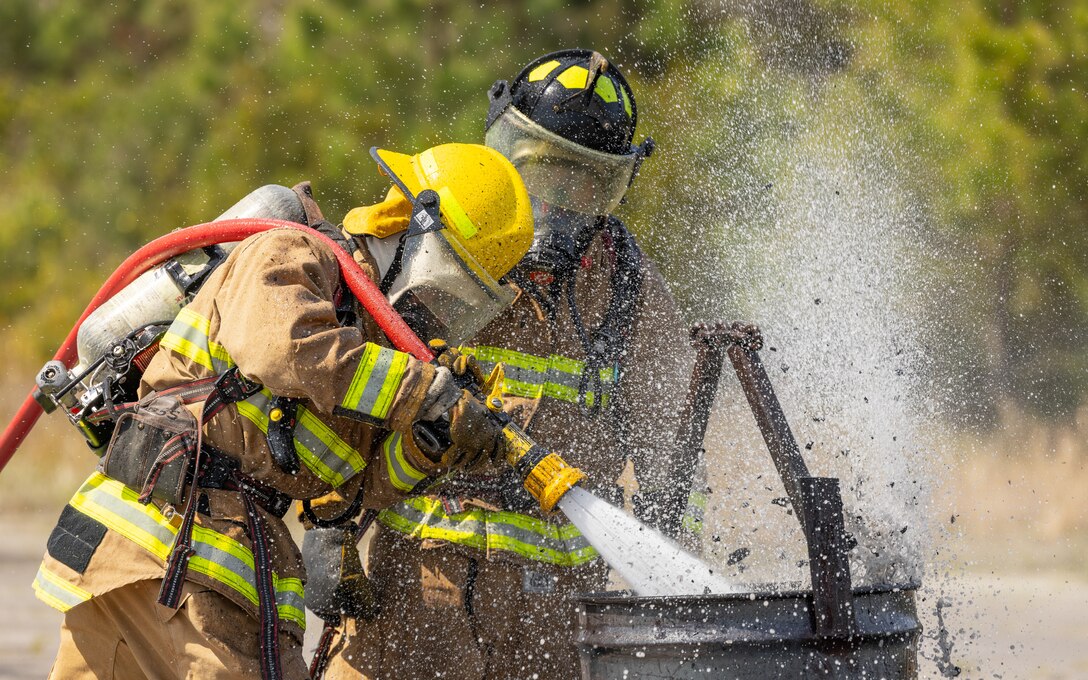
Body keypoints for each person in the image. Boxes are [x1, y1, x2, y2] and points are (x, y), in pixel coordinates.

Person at [32, 142, 534, 679]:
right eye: (450, 281)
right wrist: (423, 391)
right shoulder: (296, 255)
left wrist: (427, 443)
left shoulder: (368, 354)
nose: (440, 308)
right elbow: (283, 350)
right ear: (416, 229)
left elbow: (348, 495)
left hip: (158, 561)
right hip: (182, 561)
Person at [316, 49, 699, 680]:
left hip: (554, 618)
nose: (561, 204)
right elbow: (347, 379)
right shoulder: (446, 244)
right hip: (416, 587)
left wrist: (667, 580)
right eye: (546, 176)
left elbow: (677, 455)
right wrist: (330, 523)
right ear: (507, 153)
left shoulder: (630, 293)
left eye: (587, 185)